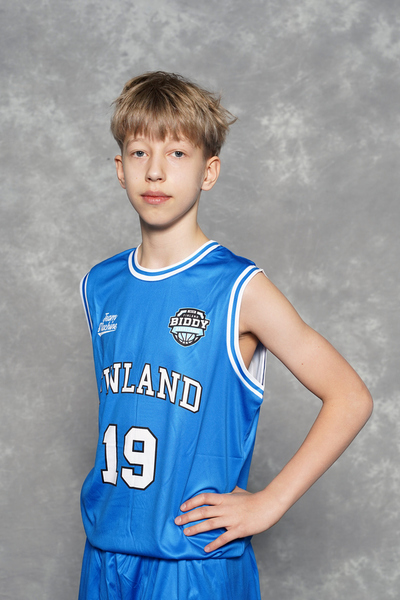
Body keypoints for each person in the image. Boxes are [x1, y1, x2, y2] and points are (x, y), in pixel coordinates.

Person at [78, 71, 373, 600]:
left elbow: (350, 397)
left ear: (208, 172)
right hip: (105, 555)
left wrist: (269, 502)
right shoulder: (100, 285)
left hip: (193, 565)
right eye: (140, 152)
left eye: (177, 154)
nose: (156, 170)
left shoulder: (240, 288)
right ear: (120, 169)